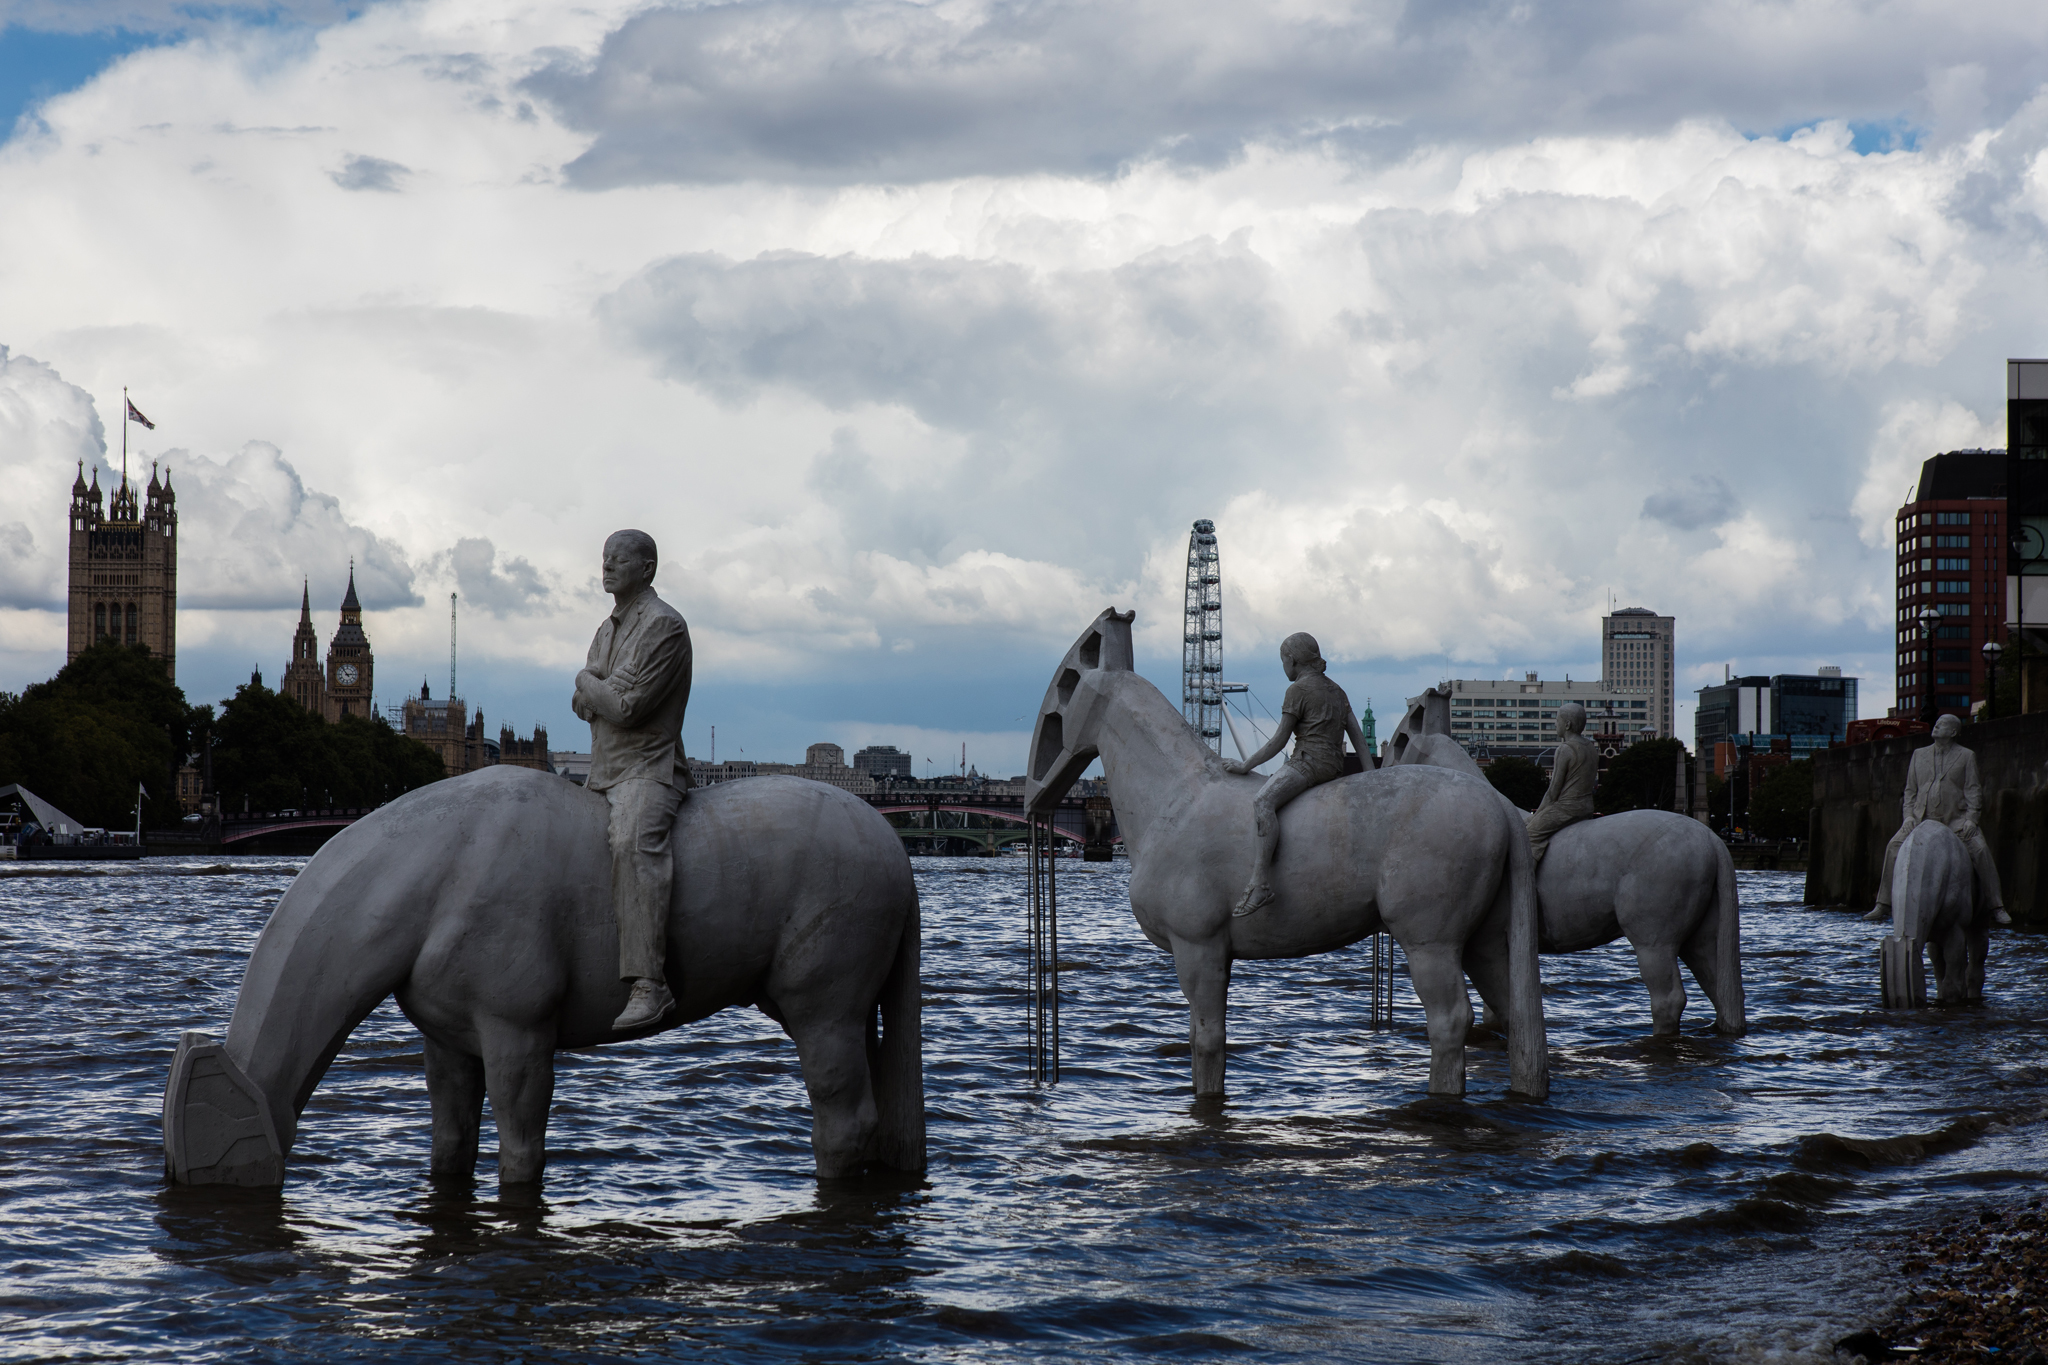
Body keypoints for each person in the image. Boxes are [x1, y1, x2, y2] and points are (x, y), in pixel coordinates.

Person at [572, 529, 694, 1031]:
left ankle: (650, 984)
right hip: (602, 773)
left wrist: (587, 681)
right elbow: (585, 706)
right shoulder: (608, 628)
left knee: (633, 844)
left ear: (647, 569)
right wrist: (594, 688)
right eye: (604, 557)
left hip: (648, 770)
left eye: (619, 559)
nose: (607, 566)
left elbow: (623, 707)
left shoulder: (664, 625)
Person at [1224, 632, 1369, 917]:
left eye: (1282, 661)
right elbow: (1359, 740)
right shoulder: (1338, 690)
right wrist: (1371, 776)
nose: (1283, 666)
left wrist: (1245, 766)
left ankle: (1260, 883)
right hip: (1334, 767)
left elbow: (1278, 741)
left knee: (1262, 802)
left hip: (1308, 763)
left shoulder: (1298, 691)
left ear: (1291, 660)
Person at [1863, 713, 2010, 926]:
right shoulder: (1918, 755)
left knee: (1980, 850)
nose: (1936, 726)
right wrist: (1908, 818)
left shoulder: (1966, 756)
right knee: (1893, 847)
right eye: (1937, 723)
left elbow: (1973, 790)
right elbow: (1910, 792)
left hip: (1955, 820)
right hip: (1920, 820)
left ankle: (1996, 906)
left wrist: (1971, 819)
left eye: (1942, 724)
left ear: (1953, 732)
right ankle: (1883, 904)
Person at [1525, 703, 1597, 865]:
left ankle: (1525, 882)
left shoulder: (1565, 749)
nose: (1555, 724)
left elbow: (1553, 793)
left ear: (1567, 724)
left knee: (1527, 837)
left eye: (1557, 720)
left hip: (1567, 809)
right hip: (1587, 807)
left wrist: (1537, 816)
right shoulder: (1591, 747)